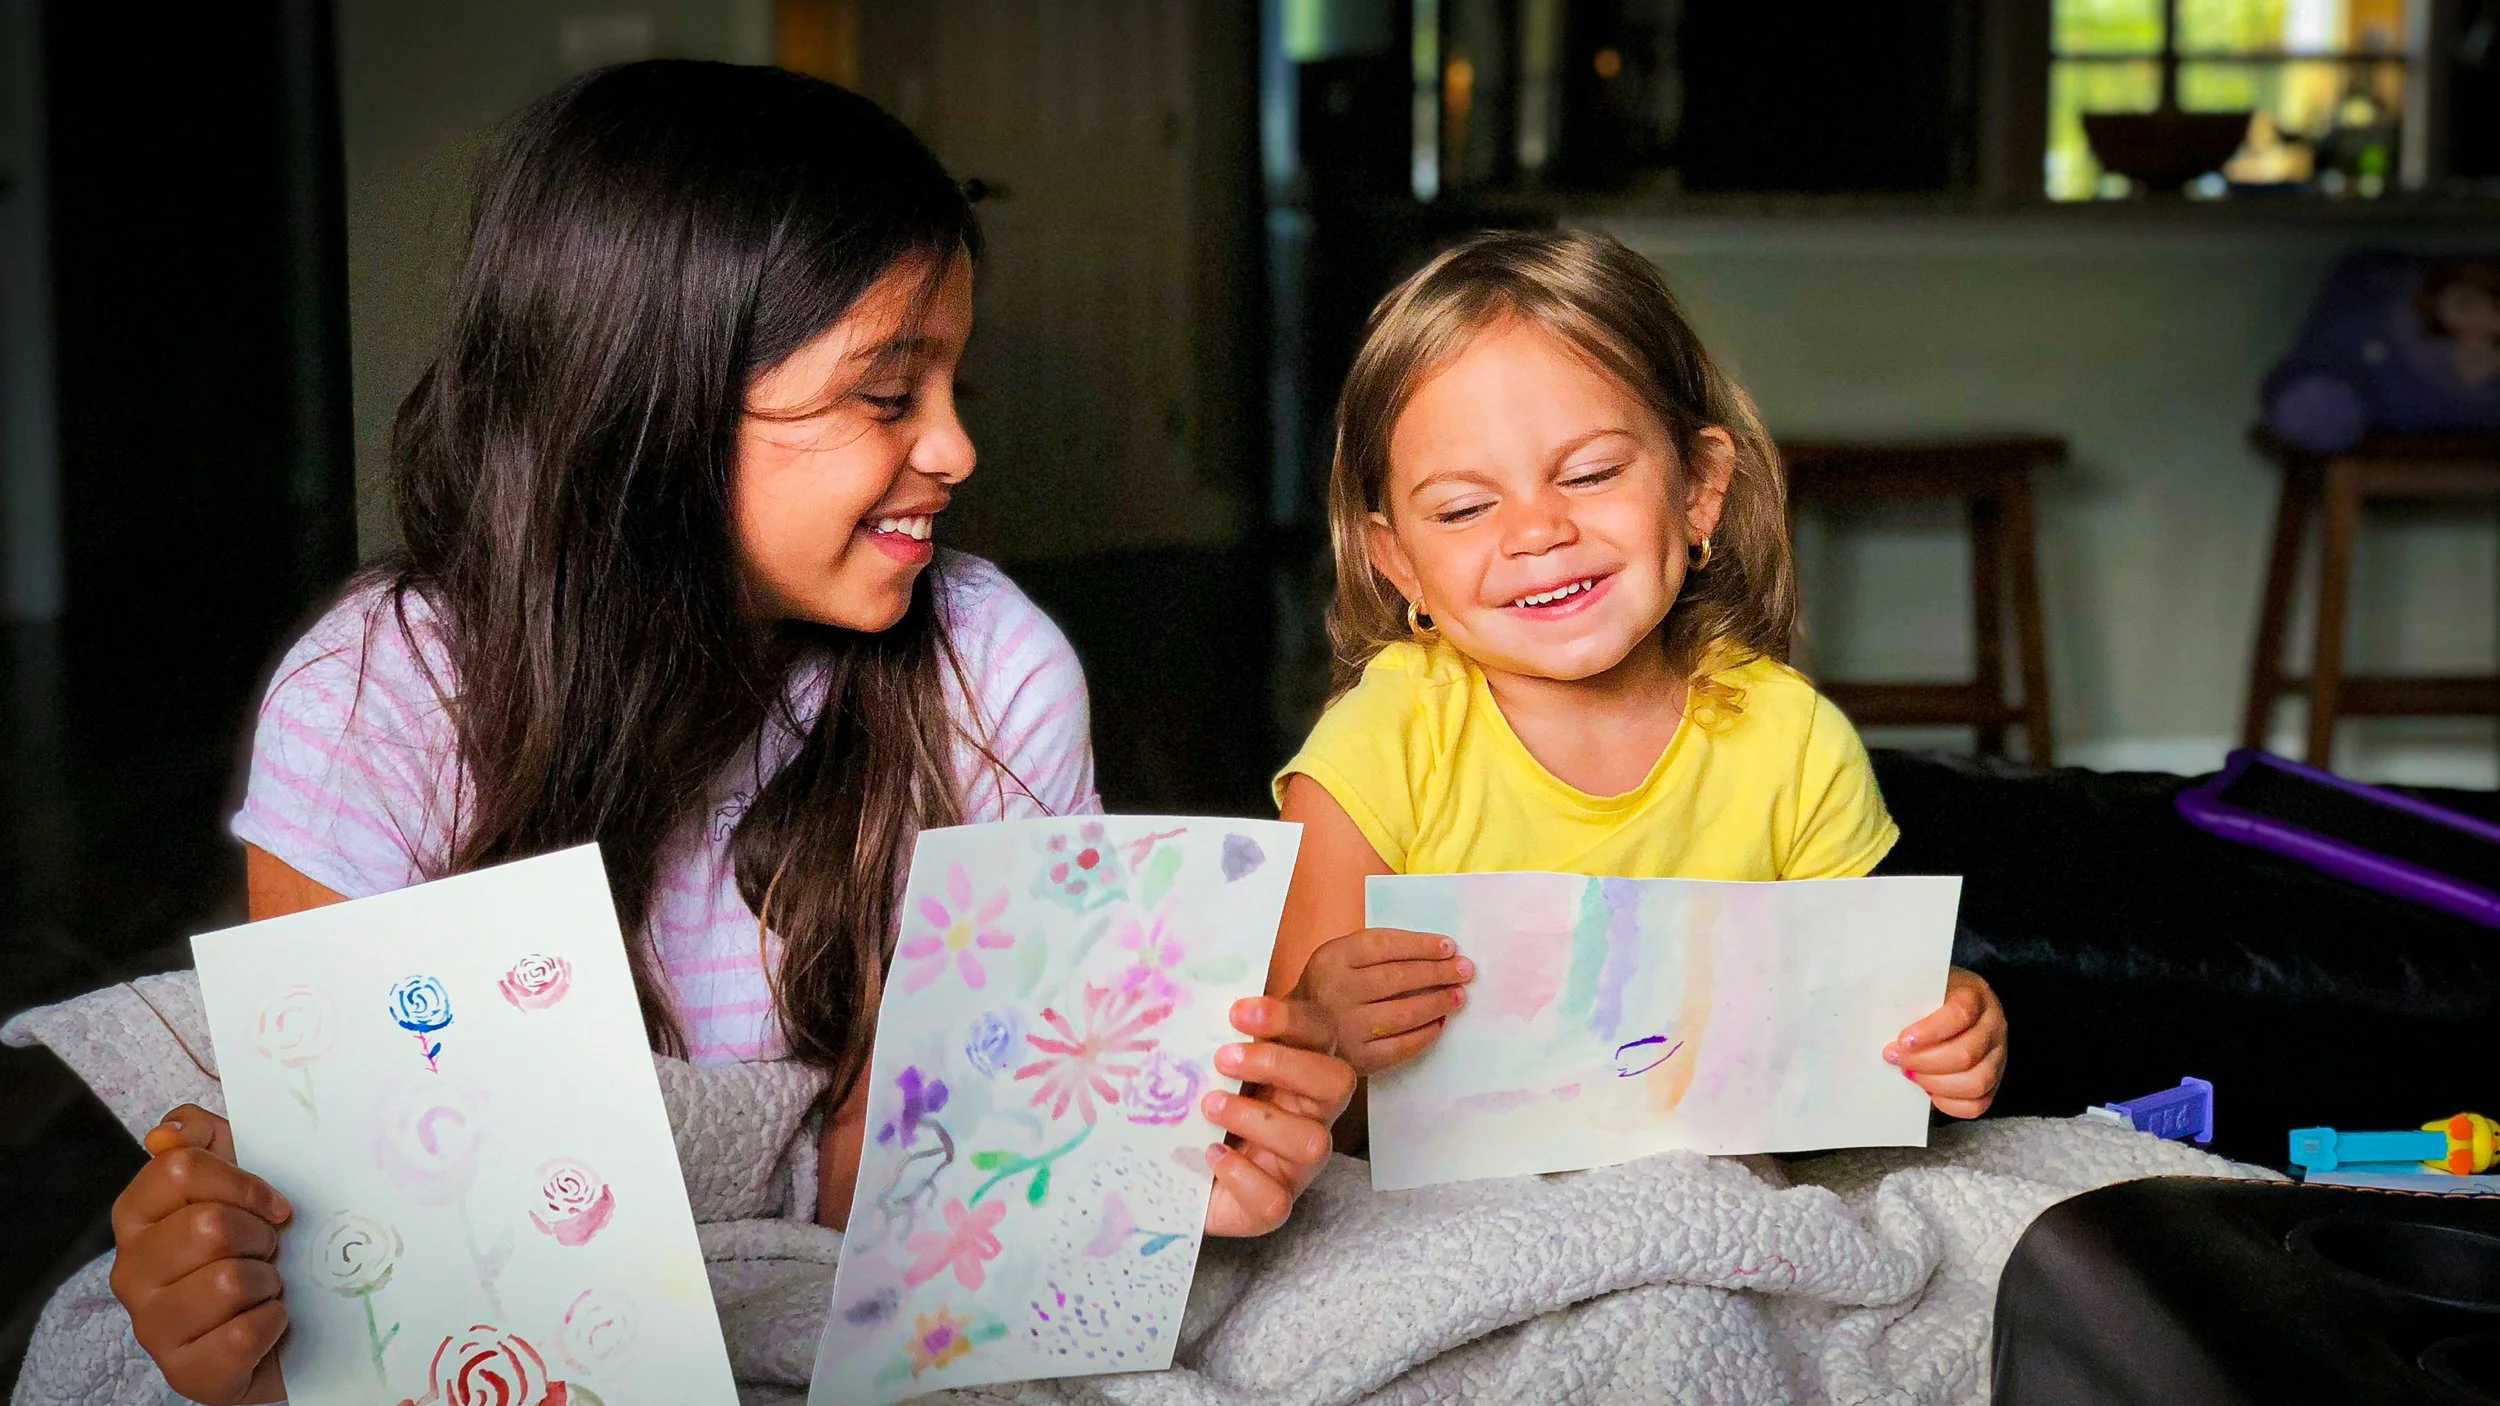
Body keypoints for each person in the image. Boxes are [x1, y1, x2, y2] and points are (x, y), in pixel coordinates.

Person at [106, 61, 1352, 1405]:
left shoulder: (992, 666)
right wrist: (220, 1302)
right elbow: (369, 1245)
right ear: (654, 409)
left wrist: (1131, 1168)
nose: (957, 450)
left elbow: (914, 1189)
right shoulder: (373, 699)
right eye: (887, 394)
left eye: (954, 384)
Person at [1269, 229, 2005, 1136]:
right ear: (1399, 564)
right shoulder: (1374, 752)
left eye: (1590, 474)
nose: (1536, 531)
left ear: (1699, 489)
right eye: (1464, 507)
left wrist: (1945, 1020)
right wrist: (1329, 1029)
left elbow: (1869, 1021)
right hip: (1438, 1231)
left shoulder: (1793, 740)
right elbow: (1280, 1097)